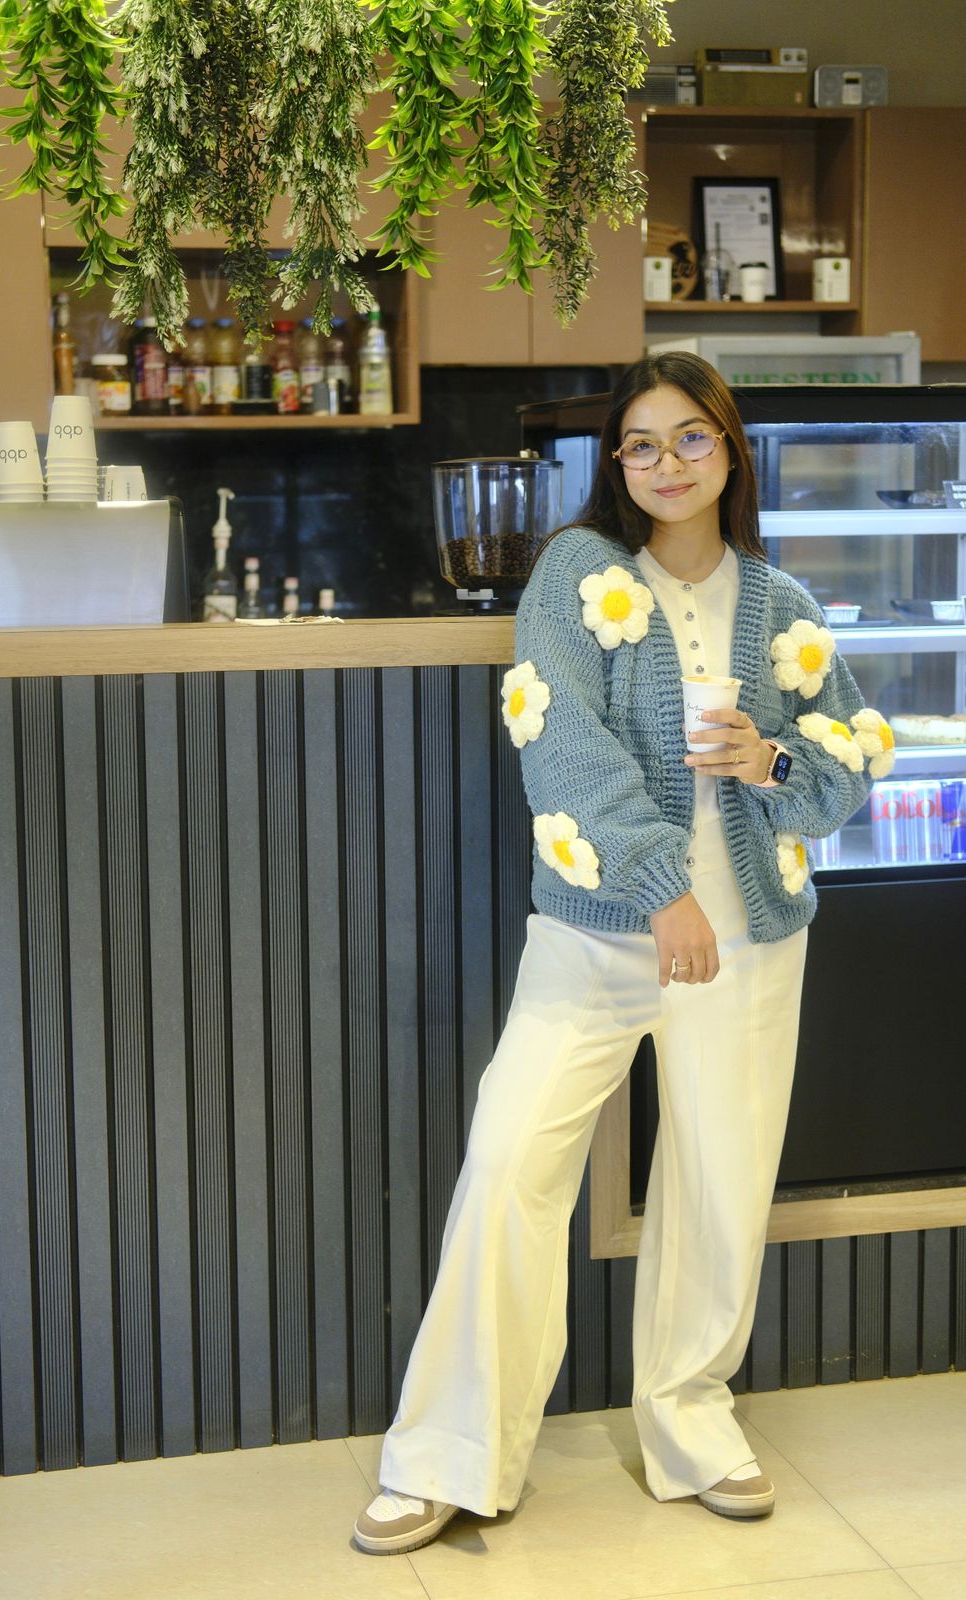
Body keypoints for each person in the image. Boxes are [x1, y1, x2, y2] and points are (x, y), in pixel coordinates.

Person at [353, 353, 889, 1555]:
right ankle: (448, 1451)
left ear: (730, 450)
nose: (664, 464)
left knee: (717, 1183)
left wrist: (772, 763)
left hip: (751, 937)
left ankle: (693, 1420)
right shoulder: (577, 574)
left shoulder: (784, 603)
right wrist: (662, 893)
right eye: (640, 444)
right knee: (509, 1164)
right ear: (616, 463)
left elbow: (848, 761)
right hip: (597, 937)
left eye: (689, 439)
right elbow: (565, 749)